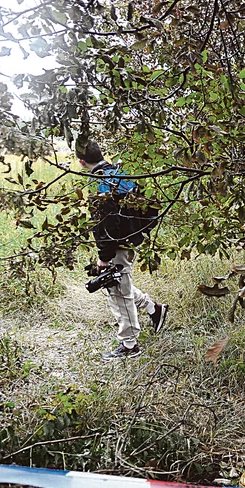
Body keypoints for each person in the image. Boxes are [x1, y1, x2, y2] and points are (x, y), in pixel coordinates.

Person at [76, 141, 169, 359]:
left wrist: (104, 257)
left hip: (118, 245)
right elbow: (151, 207)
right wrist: (139, 232)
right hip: (131, 241)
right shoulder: (123, 172)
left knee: (119, 293)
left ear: (81, 162)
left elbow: (105, 224)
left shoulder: (100, 184)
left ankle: (130, 346)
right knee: (121, 282)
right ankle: (154, 309)